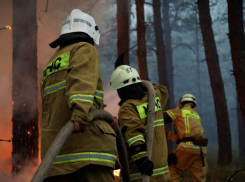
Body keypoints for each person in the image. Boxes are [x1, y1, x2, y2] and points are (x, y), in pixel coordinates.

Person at [41, 9, 118, 182]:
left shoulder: (52, 62)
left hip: (54, 156)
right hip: (86, 150)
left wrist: (105, 117)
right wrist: (80, 115)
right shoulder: (84, 49)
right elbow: (81, 85)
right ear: (91, 32)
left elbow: (58, 102)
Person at [110, 65, 171, 182]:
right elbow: (163, 90)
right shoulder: (154, 96)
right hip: (163, 175)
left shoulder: (128, 107)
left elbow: (134, 135)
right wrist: (142, 82)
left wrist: (142, 160)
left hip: (139, 175)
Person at [164, 94, 208, 182]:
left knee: (174, 172)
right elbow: (185, 136)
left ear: (181, 102)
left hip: (186, 148)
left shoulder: (180, 110)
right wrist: (166, 134)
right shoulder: (196, 115)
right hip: (201, 150)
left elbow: (162, 117)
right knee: (199, 178)